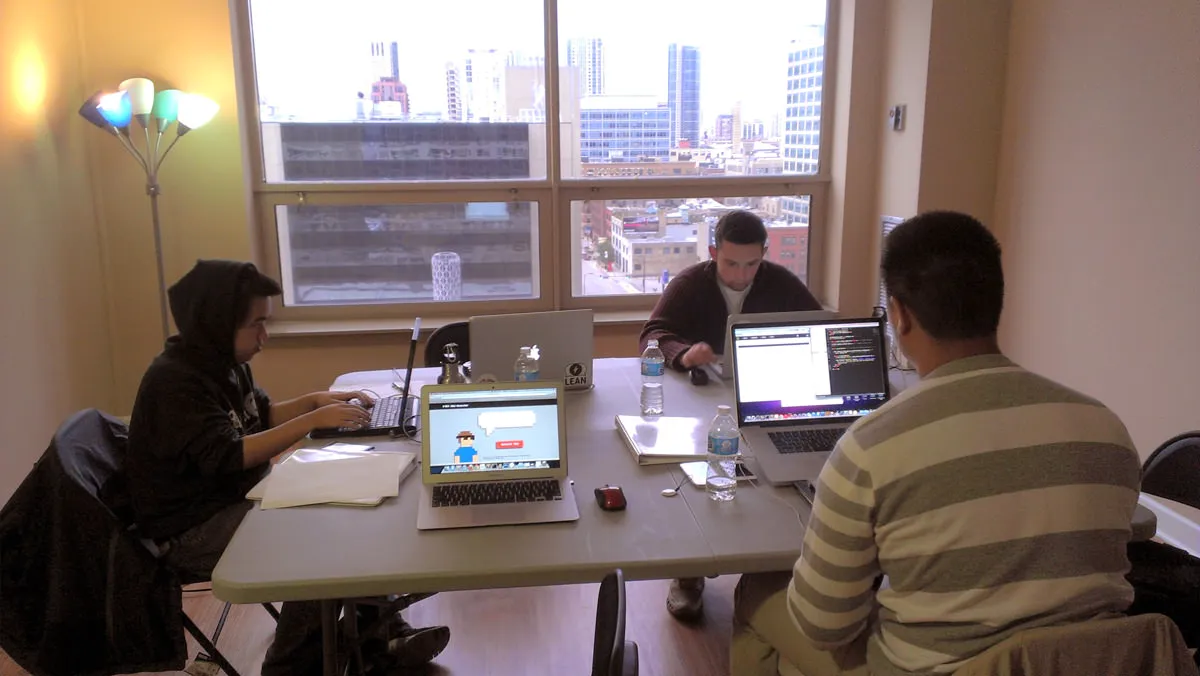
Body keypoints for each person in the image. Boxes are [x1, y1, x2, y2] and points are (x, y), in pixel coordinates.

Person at [730, 211, 1142, 676]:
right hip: (1085, 664)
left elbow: (824, 626)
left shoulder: (870, 447)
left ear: (900, 315)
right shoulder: (1105, 427)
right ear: (996, 302)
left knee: (758, 591)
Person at [126, 260, 450, 676]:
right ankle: (290, 665)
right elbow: (227, 456)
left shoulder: (221, 361)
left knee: (360, 511)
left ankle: (378, 634)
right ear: (216, 322)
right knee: (311, 544)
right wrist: (311, 423)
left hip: (233, 498)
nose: (264, 336)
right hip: (189, 526)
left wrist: (316, 401)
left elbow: (259, 415)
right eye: (256, 324)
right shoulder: (176, 382)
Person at [639, 210, 822, 621]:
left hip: (765, 397)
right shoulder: (690, 283)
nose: (742, 275)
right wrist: (683, 354)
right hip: (700, 397)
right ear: (712, 253)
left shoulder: (779, 281)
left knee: (773, 476)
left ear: (764, 256)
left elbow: (815, 326)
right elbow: (653, 334)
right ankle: (688, 573)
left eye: (752, 264)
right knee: (696, 476)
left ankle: (781, 560)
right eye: (731, 263)